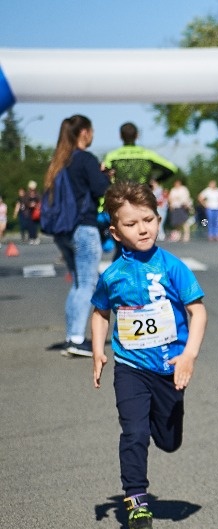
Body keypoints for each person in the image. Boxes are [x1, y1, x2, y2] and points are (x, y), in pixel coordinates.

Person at [90, 181, 207, 529]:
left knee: (169, 441)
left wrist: (189, 354)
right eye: (131, 223)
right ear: (115, 232)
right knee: (134, 433)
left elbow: (197, 312)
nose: (142, 229)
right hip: (131, 367)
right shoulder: (112, 275)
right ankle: (137, 505)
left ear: (159, 219)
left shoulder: (173, 267)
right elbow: (100, 312)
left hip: (170, 367)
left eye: (148, 220)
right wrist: (98, 350)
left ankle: (166, 416)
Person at [45, 115, 111, 357]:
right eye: (91, 131)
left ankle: (71, 335)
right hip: (84, 227)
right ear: (84, 132)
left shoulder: (60, 161)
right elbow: (101, 189)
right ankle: (75, 339)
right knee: (88, 283)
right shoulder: (85, 159)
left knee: (78, 283)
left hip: (63, 230)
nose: (92, 135)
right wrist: (105, 175)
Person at [102, 122, 178, 185]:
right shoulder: (148, 155)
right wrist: (156, 180)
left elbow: (104, 175)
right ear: (137, 135)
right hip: (143, 195)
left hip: (120, 196)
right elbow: (172, 168)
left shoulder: (111, 156)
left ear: (120, 136)